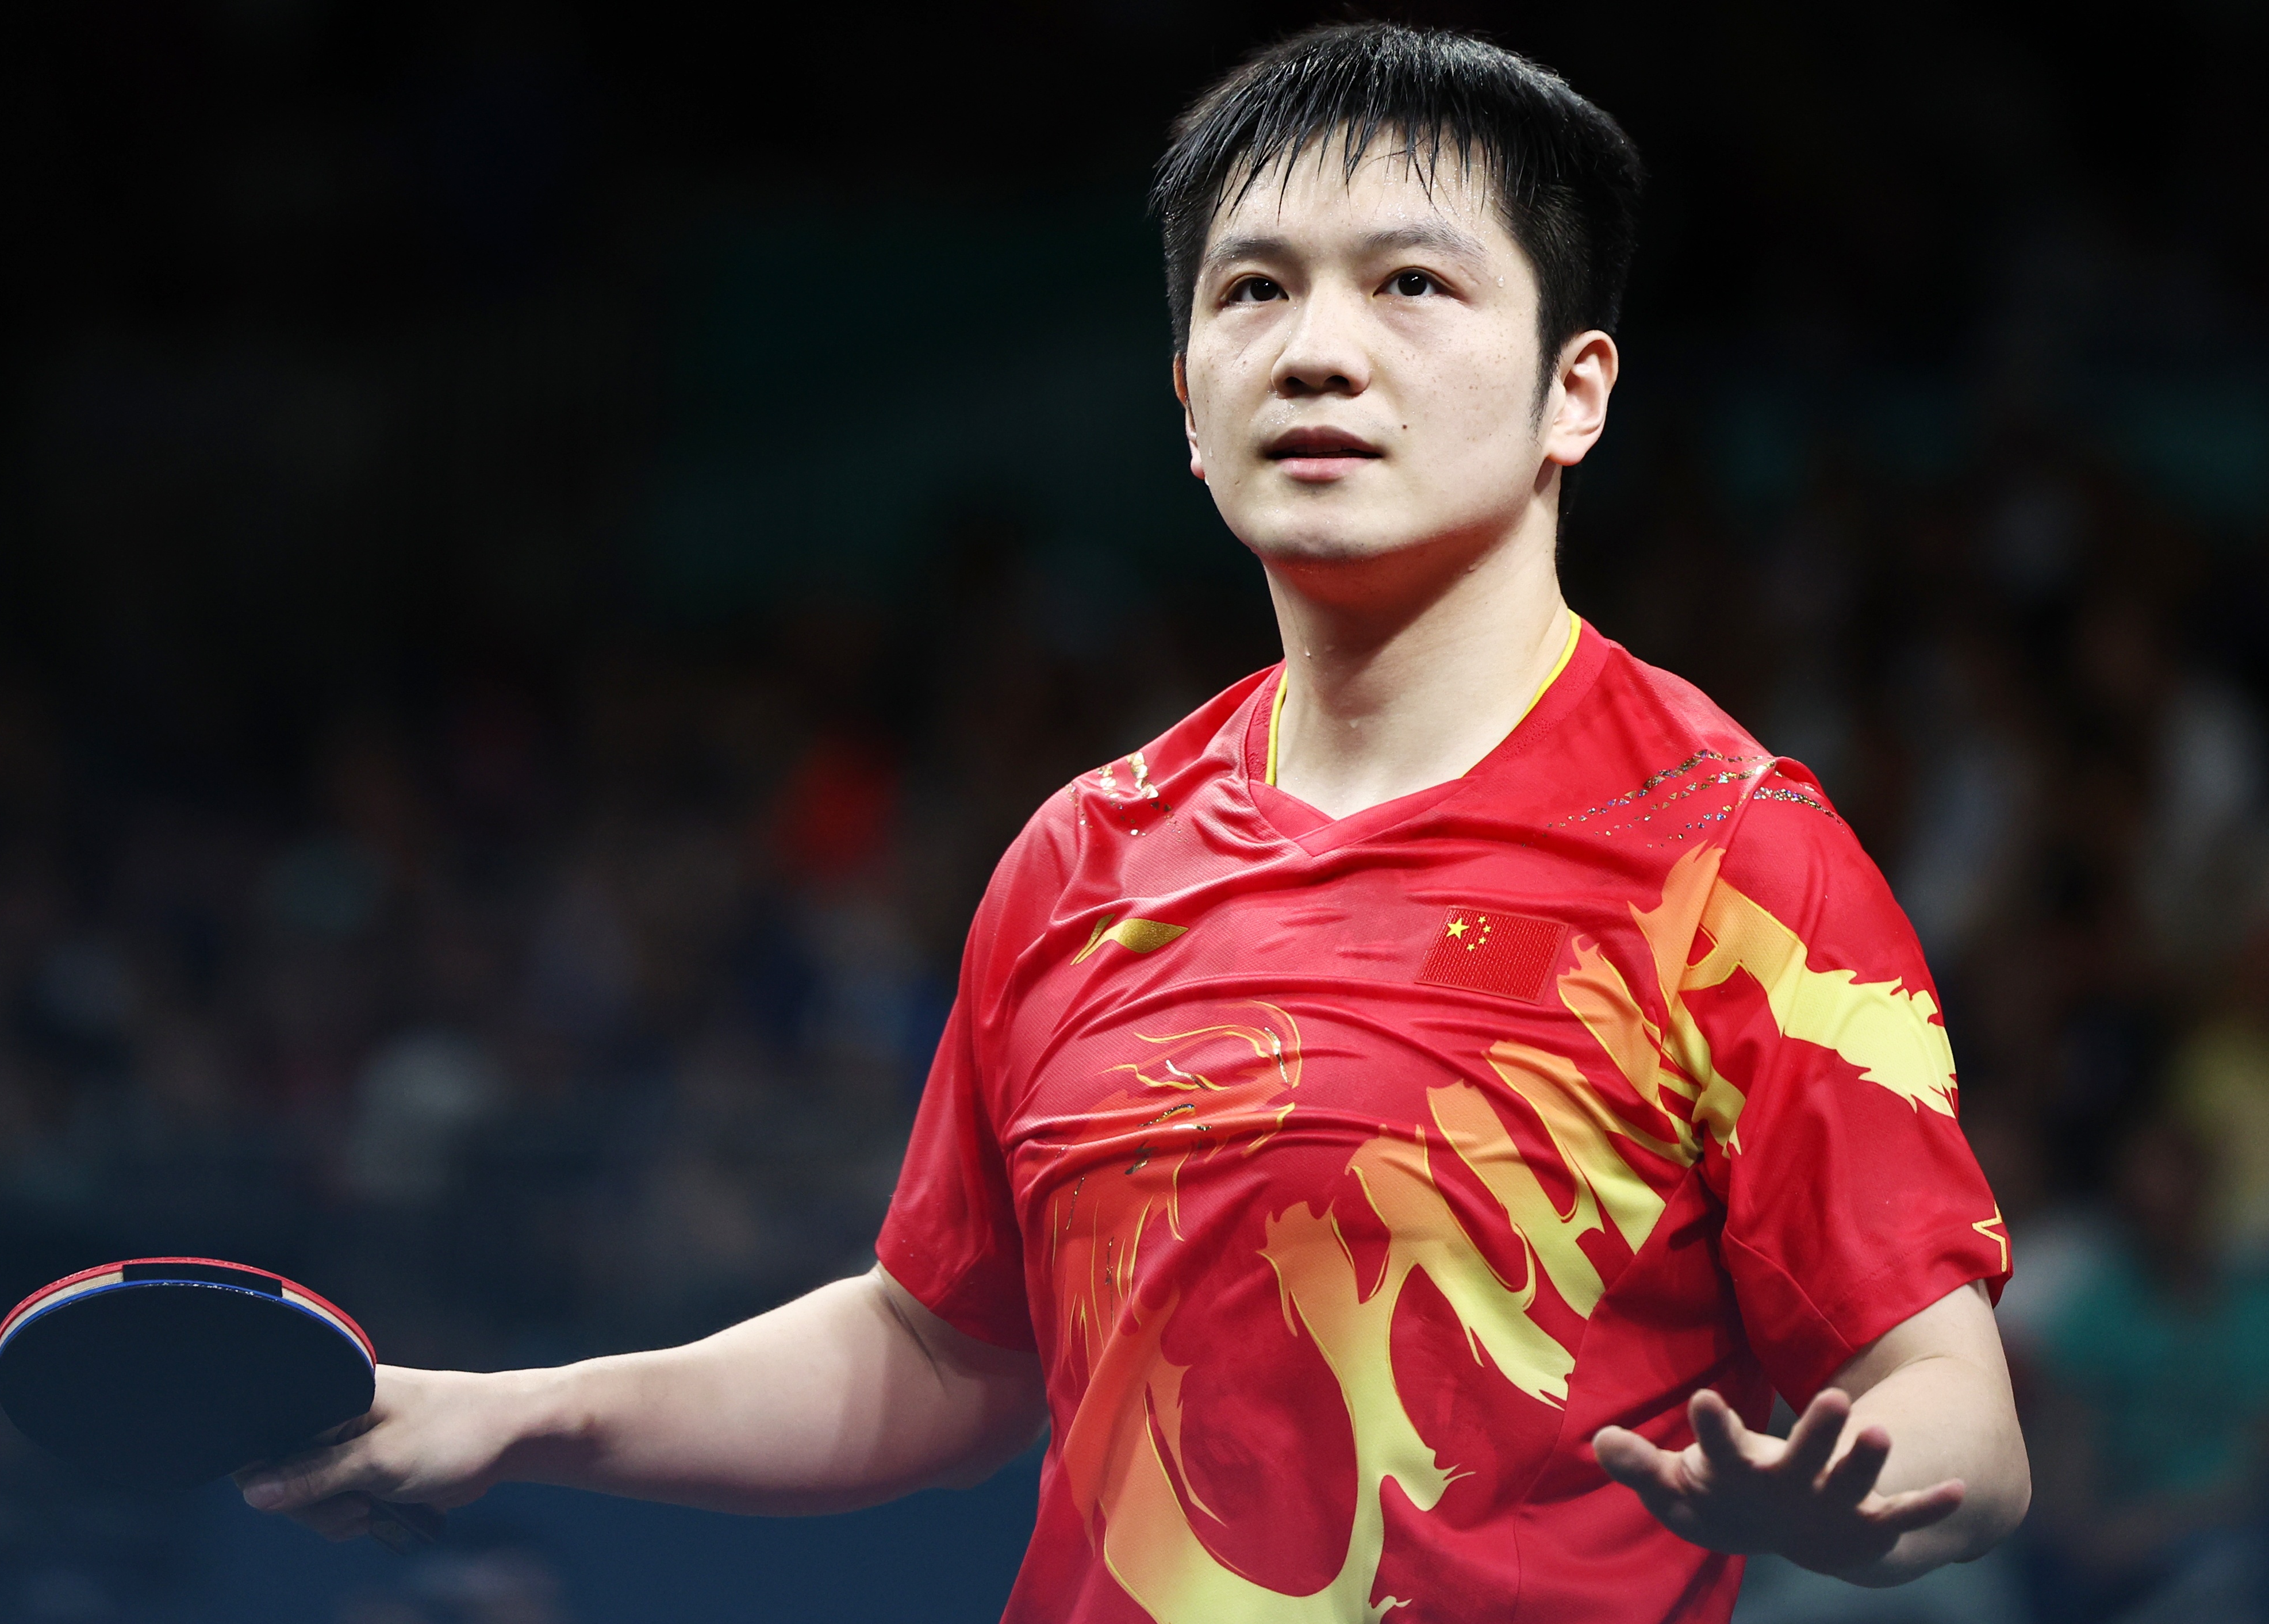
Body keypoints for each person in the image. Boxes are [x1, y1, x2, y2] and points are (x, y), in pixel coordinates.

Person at [238, 24, 2030, 1621]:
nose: (1315, 350)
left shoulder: (1728, 856)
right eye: (1252, 292)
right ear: (1186, 402)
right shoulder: (1084, 856)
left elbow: (1951, 1402)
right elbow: (937, 1348)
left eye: (1409, 283)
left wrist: (1862, 1493)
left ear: (1577, 389)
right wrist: (519, 1411)